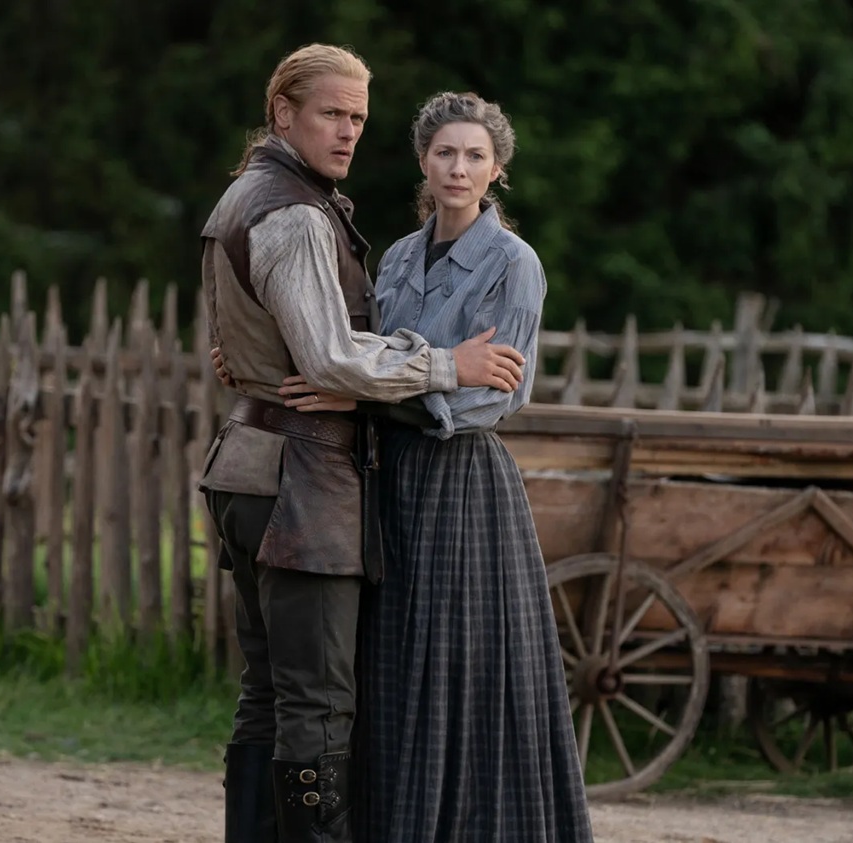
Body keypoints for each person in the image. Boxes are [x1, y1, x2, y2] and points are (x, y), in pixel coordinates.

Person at [198, 46, 529, 843]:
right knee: (315, 704)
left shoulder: (246, 195)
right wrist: (449, 365)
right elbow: (331, 357)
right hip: (299, 482)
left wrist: (253, 363)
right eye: (331, 114)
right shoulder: (293, 212)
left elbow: (261, 335)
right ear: (284, 114)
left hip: (251, 462)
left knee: (269, 692)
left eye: (358, 118)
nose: (348, 132)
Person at [279, 92, 596, 841]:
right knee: (389, 660)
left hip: (462, 485)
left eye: (475, 156)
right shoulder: (394, 257)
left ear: (497, 170)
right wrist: (411, 376)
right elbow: (354, 353)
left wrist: (373, 395)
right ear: (423, 161)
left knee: (454, 667)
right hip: (386, 480)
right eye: (446, 153)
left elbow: (493, 398)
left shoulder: (514, 264)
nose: (459, 168)